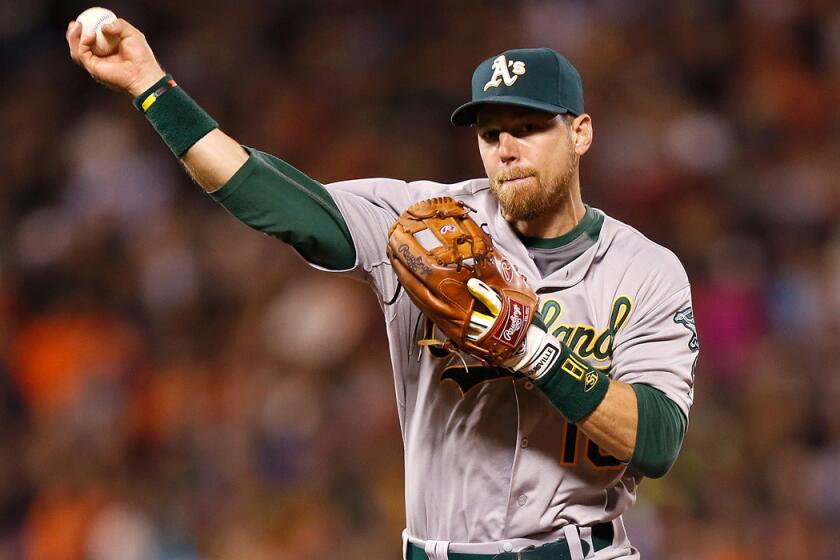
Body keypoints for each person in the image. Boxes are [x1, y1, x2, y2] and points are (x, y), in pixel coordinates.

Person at [67, 16, 698, 560]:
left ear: (580, 132)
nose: (506, 148)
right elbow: (269, 197)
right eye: (489, 133)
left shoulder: (644, 270)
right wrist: (152, 87)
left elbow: (658, 440)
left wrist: (534, 351)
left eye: (528, 127)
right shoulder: (424, 226)